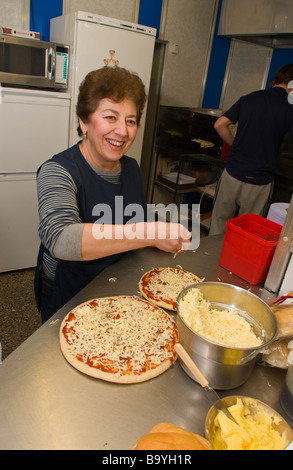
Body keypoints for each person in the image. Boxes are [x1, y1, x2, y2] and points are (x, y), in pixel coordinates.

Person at [35, 66, 190, 322]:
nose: (122, 131)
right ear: (84, 121)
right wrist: (149, 232)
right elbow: (61, 238)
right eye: (110, 117)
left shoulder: (130, 168)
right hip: (69, 293)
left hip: (115, 284)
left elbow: (129, 223)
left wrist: (155, 237)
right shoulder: (58, 171)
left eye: (130, 121)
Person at [209, 64, 293, 236]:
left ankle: (208, 259)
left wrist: (234, 143)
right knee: (248, 233)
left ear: (276, 80)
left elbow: (220, 124)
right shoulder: (290, 108)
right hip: (259, 180)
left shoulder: (250, 98)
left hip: (233, 172)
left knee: (219, 223)